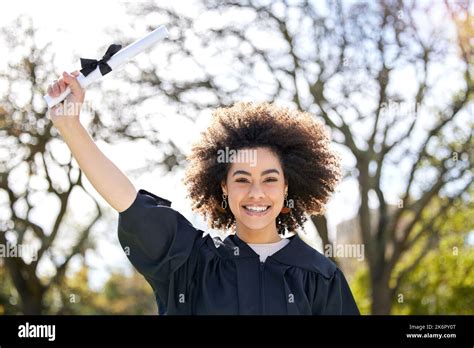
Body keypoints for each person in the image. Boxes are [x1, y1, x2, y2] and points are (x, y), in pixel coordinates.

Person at [47, 72, 360, 315]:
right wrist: (70, 126)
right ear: (223, 187)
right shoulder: (193, 265)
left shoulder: (320, 277)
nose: (256, 193)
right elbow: (128, 202)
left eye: (269, 179)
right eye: (241, 179)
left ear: (287, 186)